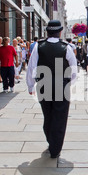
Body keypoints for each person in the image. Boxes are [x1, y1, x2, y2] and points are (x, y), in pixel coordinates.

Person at [26, 20, 77, 159]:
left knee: (48, 115)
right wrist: (69, 83)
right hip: (62, 85)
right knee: (60, 117)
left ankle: (51, 141)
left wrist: (30, 85)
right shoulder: (66, 47)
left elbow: (32, 67)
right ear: (60, 32)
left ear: (47, 32)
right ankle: (55, 148)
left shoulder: (38, 46)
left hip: (43, 85)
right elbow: (73, 69)